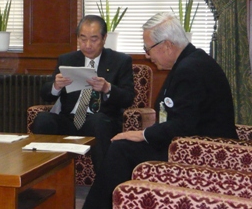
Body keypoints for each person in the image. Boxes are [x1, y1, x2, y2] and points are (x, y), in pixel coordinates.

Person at [83, 12, 238, 209]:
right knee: (122, 147)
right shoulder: (191, 61)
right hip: (193, 145)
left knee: (121, 149)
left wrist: (143, 134)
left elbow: (184, 124)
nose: (147, 55)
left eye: (147, 49)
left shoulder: (190, 70)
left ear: (166, 45)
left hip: (203, 152)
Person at [31, 15, 135, 171]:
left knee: (97, 120)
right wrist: (56, 86)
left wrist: (107, 88)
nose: (87, 45)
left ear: (104, 38)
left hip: (100, 123)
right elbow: (46, 95)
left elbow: (128, 98)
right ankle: (42, 176)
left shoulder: (120, 61)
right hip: (69, 121)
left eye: (94, 39)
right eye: (83, 39)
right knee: (43, 119)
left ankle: (103, 184)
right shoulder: (67, 59)